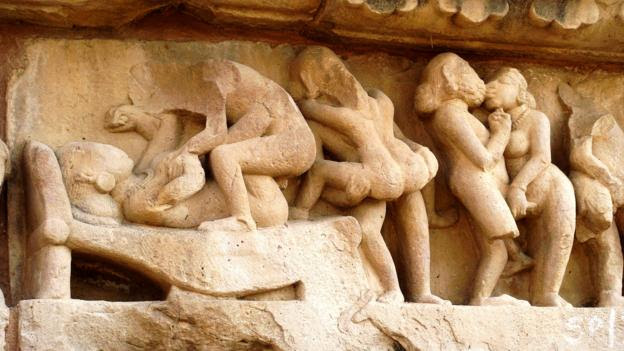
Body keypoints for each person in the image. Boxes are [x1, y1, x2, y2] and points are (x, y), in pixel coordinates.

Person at [289, 46, 447, 304]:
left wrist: (421, 152)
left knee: (395, 223)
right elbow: (317, 170)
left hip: (390, 174)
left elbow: (398, 139)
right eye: (329, 72)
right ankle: (401, 290)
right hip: (384, 176)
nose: (340, 76)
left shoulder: (371, 103)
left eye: (336, 68)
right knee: (367, 228)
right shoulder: (340, 114)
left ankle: (416, 291)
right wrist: (348, 195)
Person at [112, 60, 317, 232]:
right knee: (216, 154)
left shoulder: (213, 78)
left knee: (223, 155)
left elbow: (218, 134)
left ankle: (242, 219)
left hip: (294, 144)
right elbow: (202, 133)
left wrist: (188, 152)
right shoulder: (209, 83)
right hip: (280, 136)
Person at [415, 53, 529, 306]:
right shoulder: (449, 115)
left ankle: (483, 295)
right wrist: (502, 133)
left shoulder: (461, 115)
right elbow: (484, 159)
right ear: (451, 79)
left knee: (494, 246)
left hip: (479, 183)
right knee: (496, 245)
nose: (479, 79)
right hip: (474, 181)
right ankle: (481, 299)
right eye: (467, 70)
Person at [484, 68, 574, 307]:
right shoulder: (492, 119)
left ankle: (548, 293)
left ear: (519, 90)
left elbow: (542, 157)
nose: (490, 87)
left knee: (559, 236)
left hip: (549, 187)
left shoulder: (536, 118)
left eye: (500, 82)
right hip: (507, 188)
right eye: (488, 83)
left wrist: (518, 188)